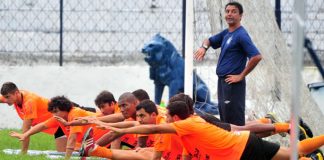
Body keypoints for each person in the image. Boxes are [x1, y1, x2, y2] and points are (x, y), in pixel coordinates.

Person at [96, 101, 324, 160]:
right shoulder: (186, 128)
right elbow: (185, 153)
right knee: (292, 153)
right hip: (241, 144)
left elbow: (151, 134)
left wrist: (111, 130)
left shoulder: (183, 125)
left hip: (239, 151)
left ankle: (281, 125)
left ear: (175, 117)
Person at [194, 1, 262, 126]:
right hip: (223, 82)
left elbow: (256, 56)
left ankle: (275, 125)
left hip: (233, 83)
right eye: (227, 11)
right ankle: (267, 121)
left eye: (234, 11)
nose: (229, 14)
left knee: (234, 123)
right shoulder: (227, 33)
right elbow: (209, 40)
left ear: (241, 16)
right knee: (226, 119)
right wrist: (204, 47)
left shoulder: (241, 35)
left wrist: (241, 76)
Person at [80, 99, 183, 160]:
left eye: (142, 116)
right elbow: (131, 123)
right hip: (172, 154)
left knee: (143, 153)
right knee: (142, 151)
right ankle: (93, 149)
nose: (139, 119)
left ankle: (94, 149)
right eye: (138, 116)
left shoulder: (161, 126)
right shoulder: (154, 118)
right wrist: (101, 123)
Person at [0, 82, 67, 153]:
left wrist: (23, 153)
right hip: (56, 123)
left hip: (64, 121)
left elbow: (26, 130)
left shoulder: (29, 103)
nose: (6, 100)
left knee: (67, 154)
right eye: (4, 97)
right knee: (65, 154)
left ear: (16, 93)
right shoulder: (15, 96)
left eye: (7, 97)